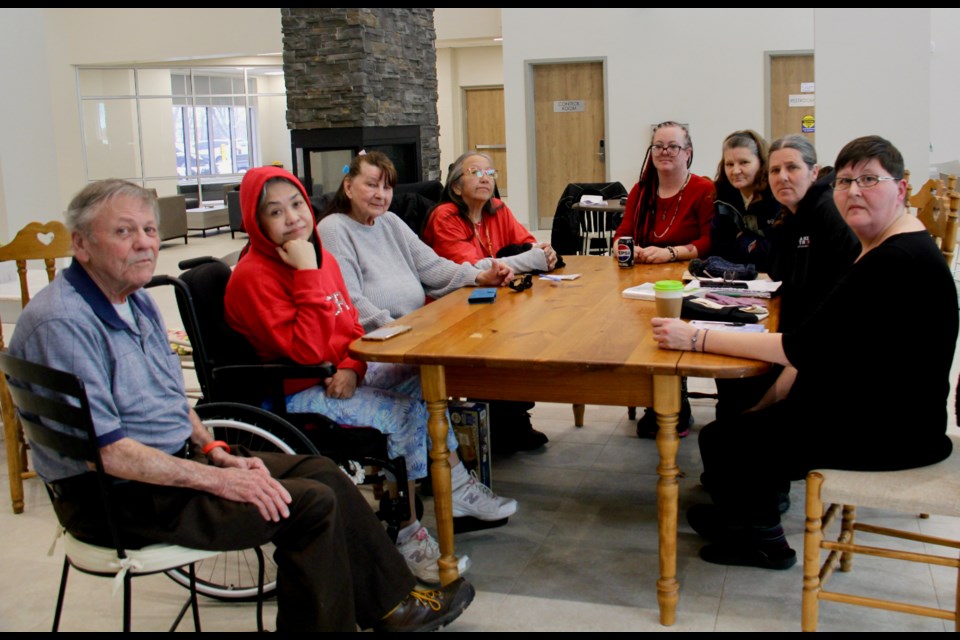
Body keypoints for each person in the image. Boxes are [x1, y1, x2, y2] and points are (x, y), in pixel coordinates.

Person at [8, 179, 475, 632]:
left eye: (150, 230)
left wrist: (215, 451)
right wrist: (218, 478)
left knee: (321, 472)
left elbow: (171, 402)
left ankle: (392, 605)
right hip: (117, 497)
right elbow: (107, 454)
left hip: (169, 466)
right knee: (310, 506)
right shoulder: (64, 323)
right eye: (124, 232)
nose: (145, 244)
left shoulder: (135, 299)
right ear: (81, 244)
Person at [651, 135, 958, 571]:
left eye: (869, 180)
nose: (854, 191)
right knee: (742, 423)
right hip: (894, 412)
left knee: (727, 437)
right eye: (847, 181)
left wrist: (695, 338)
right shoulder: (896, 245)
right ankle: (740, 517)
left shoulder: (894, 260)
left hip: (895, 433)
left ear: (901, 189)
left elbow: (799, 347)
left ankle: (765, 541)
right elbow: (825, 345)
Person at [224, 165, 517, 584]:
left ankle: (454, 487)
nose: (292, 218)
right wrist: (307, 273)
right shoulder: (256, 275)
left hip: (336, 371)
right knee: (405, 414)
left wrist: (352, 364)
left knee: (421, 378)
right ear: (256, 220)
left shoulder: (313, 255)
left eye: (296, 205)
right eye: (275, 212)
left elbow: (349, 326)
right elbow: (305, 351)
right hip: (296, 388)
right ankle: (407, 530)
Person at [713, 135, 862, 421]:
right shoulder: (791, 215)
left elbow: (837, 306)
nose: (782, 178)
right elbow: (775, 268)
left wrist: (787, 376)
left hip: (816, 351)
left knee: (730, 391)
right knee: (726, 357)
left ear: (814, 172)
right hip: (789, 329)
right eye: (775, 171)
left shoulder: (828, 211)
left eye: (792, 168)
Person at [423, 150, 556, 453]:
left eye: (490, 173)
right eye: (475, 171)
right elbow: (476, 270)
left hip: (493, 300)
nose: (486, 178)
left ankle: (512, 418)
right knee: (503, 338)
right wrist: (529, 258)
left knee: (529, 332)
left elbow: (528, 245)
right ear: (456, 186)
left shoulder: (497, 208)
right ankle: (506, 424)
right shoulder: (444, 216)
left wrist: (542, 252)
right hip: (452, 307)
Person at [318, 151, 513, 332]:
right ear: (348, 187)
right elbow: (350, 301)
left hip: (416, 327)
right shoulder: (334, 229)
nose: (380, 195)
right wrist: (399, 330)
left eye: (387, 187)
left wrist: (480, 277)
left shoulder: (389, 221)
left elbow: (432, 266)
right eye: (371, 185)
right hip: (377, 342)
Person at [612, 121, 716, 438]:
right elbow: (621, 236)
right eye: (658, 146)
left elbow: (709, 241)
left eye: (672, 146)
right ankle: (655, 401)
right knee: (639, 331)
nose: (664, 152)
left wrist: (671, 253)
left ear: (688, 152)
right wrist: (626, 249)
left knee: (670, 328)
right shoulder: (641, 191)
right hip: (641, 280)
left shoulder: (703, 189)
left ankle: (674, 403)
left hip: (685, 278)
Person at [709, 130, 781, 273]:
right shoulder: (722, 198)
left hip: (775, 279)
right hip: (736, 279)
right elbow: (720, 250)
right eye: (729, 164)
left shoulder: (777, 196)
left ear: (761, 162)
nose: (735, 171)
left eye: (744, 162)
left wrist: (742, 239)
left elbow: (779, 252)